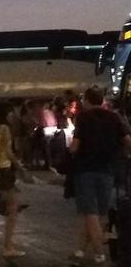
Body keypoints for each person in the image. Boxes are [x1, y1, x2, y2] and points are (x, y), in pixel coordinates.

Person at [69, 87, 131, 265]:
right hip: (108, 170)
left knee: (90, 213)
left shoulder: (83, 118)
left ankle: (99, 254)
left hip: (86, 169)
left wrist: (70, 152)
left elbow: (75, 145)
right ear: (102, 100)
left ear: (87, 100)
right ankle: (80, 250)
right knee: (98, 214)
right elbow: (127, 141)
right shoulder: (114, 117)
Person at [0, 100, 27, 258]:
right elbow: (8, 152)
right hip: (3, 170)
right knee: (12, 208)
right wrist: (19, 166)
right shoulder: (4, 128)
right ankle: (8, 246)